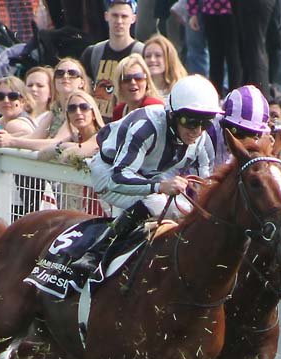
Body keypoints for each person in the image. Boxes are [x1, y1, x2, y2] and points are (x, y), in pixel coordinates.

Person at [68, 74, 222, 278]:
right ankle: (95, 253)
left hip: (148, 174)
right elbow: (118, 177)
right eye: (190, 122)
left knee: (185, 209)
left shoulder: (202, 140)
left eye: (205, 123)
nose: (197, 131)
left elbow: (206, 187)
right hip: (109, 173)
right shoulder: (146, 126)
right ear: (173, 115)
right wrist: (160, 186)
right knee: (157, 202)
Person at [79, 0, 144, 121]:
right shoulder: (92, 53)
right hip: (97, 122)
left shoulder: (142, 53)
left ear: (133, 19)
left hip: (128, 120)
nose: (119, 21)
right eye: (115, 15)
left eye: (124, 16)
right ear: (106, 16)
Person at [110, 53, 163, 121]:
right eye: (126, 79)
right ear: (119, 84)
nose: (133, 82)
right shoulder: (118, 111)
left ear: (147, 81)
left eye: (138, 77)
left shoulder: (154, 107)